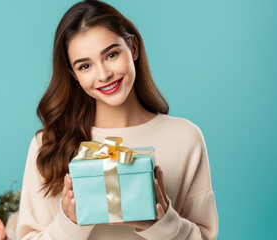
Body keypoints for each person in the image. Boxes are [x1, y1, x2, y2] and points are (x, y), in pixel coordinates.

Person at [16, 0, 218, 239]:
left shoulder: (185, 138)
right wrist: (69, 223)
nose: (103, 74)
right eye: (85, 66)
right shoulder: (48, 144)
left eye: (111, 54)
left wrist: (164, 223)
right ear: (74, 75)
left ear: (133, 48)